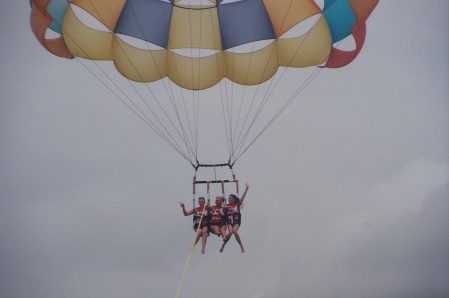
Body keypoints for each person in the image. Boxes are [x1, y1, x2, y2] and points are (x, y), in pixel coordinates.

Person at [220, 182, 249, 253]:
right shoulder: (227, 205)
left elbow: (242, 197)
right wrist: (229, 207)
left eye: (230, 198)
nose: (229, 199)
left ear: (234, 199)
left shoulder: (237, 204)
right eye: (228, 198)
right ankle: (223, 246)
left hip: (236, 220)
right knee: (230, 233)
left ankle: (241, 246)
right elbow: (222, 207)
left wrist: (246, 189)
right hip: (229, 221)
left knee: (234, 231)